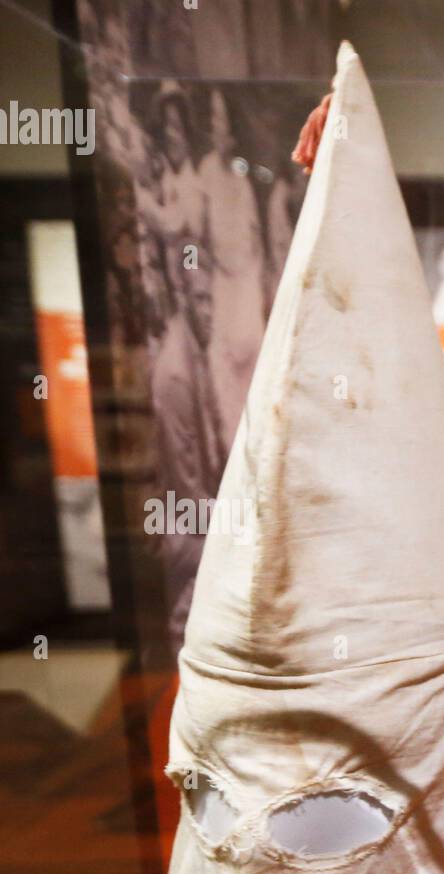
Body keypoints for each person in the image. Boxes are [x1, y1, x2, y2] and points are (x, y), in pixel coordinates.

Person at [152, 247, 223, 648]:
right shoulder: (177, 374)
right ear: (184, 300)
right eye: (199, 299)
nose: (209, 309)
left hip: (193, 509)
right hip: (179, 523)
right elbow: (187, 494)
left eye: (211, 298)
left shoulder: (195, 348)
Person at [198, 89, 268, 454]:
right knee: (223, 383)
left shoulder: (243, 181)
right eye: (212, 120)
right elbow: (199, 236)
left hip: (246, 292)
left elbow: (254, 240)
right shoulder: (206, 172)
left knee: (253, 385)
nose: (216, 129)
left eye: (221, 121)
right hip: (222, 294)